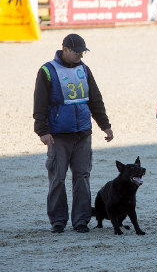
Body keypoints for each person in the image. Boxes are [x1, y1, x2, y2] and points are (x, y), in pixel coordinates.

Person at [33, 33, 114, 234]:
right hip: (58, 135)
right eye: (78, 52)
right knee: (57, 179)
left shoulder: (84, 69)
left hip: (83, 133)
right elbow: (40, 103)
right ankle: (58, 221)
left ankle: (81, 221)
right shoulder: (47, 71)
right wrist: (42, 131)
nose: (81, 56)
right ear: (65, 49)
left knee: (82, 177)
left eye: (83, 52)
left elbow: (95, 99)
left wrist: (105, 125)